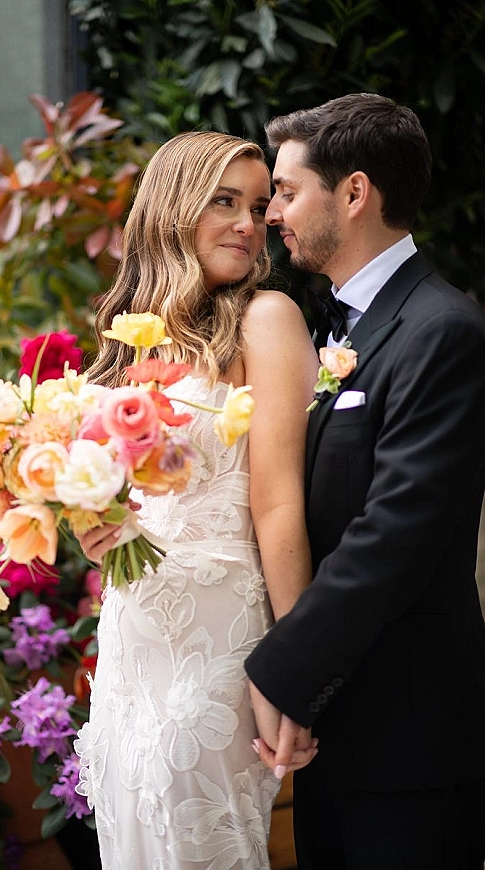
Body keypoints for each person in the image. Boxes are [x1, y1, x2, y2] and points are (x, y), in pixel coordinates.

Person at [244, 93, 485, 870]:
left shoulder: (442, 331)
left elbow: (395, 534)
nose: (272, 213)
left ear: (353, 193)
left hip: (409, 741)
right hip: (335, 730)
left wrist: (280, 672)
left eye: (285, 191)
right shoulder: (334, 328)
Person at [73, 130, 319, 868]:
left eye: (257, 204)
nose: (249, 223)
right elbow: (113, 505)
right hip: (129, 653)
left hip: (217, 654)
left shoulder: (265, 319)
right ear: (172, 209)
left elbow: (278, 506)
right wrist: (92, 524)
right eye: (223, 201)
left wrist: (294, 670)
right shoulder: (121, 349)